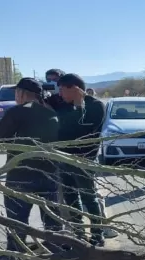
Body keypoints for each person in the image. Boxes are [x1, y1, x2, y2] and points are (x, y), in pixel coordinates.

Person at [0, 78, 63, 254]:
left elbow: (1, 137)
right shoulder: (51, 112)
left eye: (16, 93)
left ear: (21, 93)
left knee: (17, 220)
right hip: (50, 173)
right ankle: (55, 253)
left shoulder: (17, 112)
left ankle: (16, 255)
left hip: (21, 174)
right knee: (52, 219)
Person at [55, 73, 117, 245]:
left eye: (62, 90)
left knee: (89, 198)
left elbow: (81, 128)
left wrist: (77, 105)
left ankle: (97, 235)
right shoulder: (63, 105)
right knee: (70, 199)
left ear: (74, 88)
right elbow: (60, 129)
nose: (60, 94)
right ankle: (78, 234)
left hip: (84, 160)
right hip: (63, 158)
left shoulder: (95, 105)